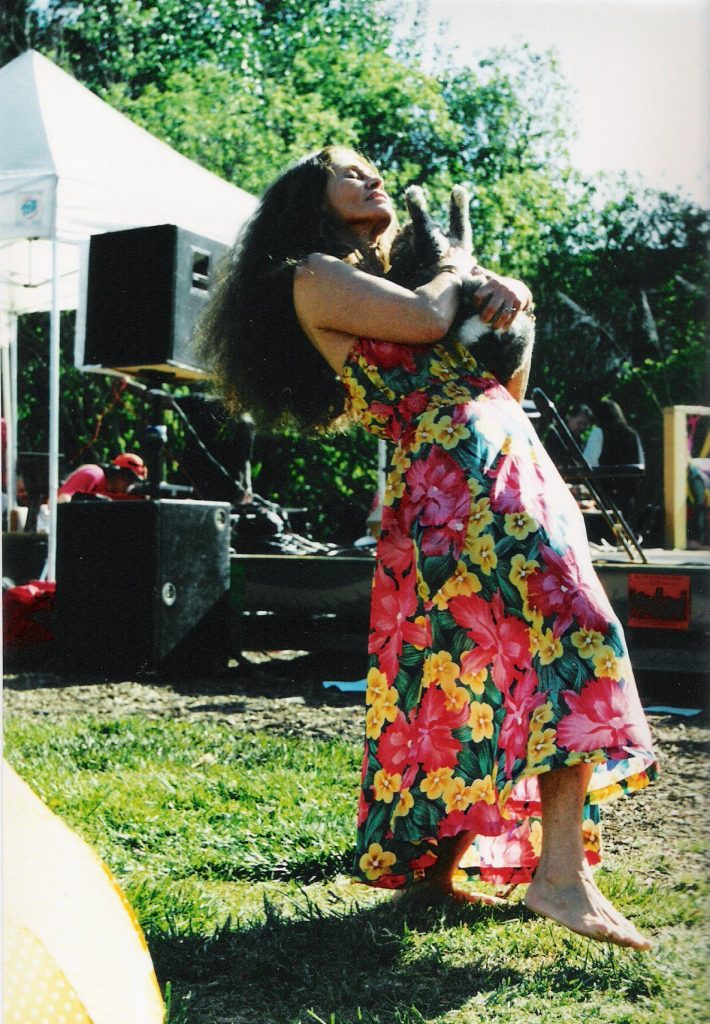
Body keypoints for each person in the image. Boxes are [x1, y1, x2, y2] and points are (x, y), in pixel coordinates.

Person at [200, 145, 658, 949]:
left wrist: (518, 309)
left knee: (453, 665)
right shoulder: (313, 273)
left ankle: (442, 876)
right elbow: (424, 322)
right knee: (560, 634)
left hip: (504, 459)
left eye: (372, 170)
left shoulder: (409, 281)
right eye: (350, 172)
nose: (371, 177)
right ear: (311, 198)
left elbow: (501, 382)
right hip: (454, 479)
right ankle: (558, 878)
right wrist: (459, 269)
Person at [57, 453, 147, 502]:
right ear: (116, 473)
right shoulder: (93, 474)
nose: (128, 485)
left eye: (132, 481)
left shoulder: (117, 493)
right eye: (128, 479)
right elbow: (62, 500)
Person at [543, 403, 593, 468]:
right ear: (570, 417)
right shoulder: (556, 433)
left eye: (585, 424)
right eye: (579, 423)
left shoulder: (579, 440)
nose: (582, 427)